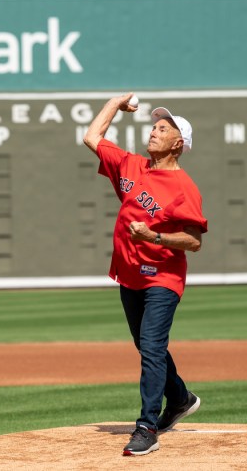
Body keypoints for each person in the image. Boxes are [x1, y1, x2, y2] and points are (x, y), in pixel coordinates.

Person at [83, 93, 207, 457]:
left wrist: (153, 236)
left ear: (178, 143)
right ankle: (181, 398)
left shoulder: (185, 188)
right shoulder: (131, 166)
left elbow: (193, 241)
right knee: (147, 346)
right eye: (154, 126)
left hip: (162, 279)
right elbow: (92, 137)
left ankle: (147, 427)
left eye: (163, 128)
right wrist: (113, 103)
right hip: (130, 275)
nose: (153, 131)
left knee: (152, 347)